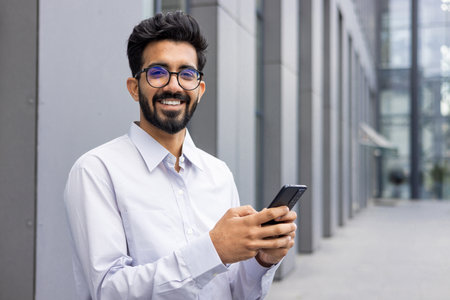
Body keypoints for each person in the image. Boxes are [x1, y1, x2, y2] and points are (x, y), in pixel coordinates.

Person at [64, 11, 297, 300]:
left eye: (186, 74)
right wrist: (213, 251)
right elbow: (109, 291)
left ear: (199, 89)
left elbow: (235, 292)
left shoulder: (219, 173)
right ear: (135, 88)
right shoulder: (96, 171)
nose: (173, 86)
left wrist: (263, 260)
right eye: (158, 72)